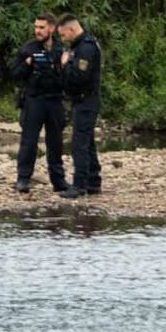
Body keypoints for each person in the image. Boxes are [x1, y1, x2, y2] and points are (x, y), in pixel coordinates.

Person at [7, 12, 68, 194]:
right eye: (36, 27)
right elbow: (14, 73)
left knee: (55, 142)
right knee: (29, 141)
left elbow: (70, 76)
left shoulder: (61, 49)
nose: (38, 31)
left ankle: (58, 181)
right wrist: (27, 64)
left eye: (41, 27)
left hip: (55, 100)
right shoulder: (29, 48)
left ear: (51, 28)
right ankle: (23, 179)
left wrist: (64, 65)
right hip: (34, 100)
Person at [55, 15, 103, 198]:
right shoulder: (78, 46)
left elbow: (80, 77)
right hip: (81, 100)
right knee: (88, 141)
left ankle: (80, 185)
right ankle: (93, 180)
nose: (62, 39)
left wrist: (65, 65)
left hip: (86, 100)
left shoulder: (86, 48)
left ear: (72, 30)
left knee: (79, 143)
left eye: (63, 35)